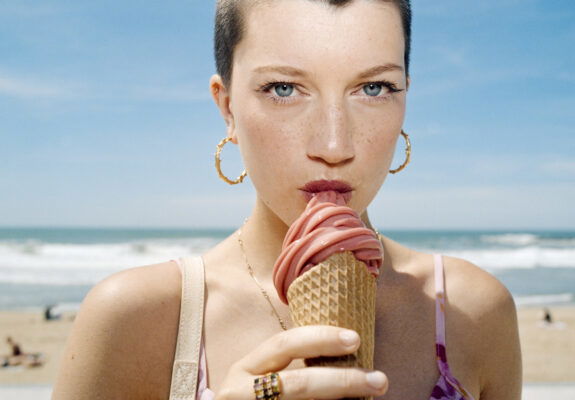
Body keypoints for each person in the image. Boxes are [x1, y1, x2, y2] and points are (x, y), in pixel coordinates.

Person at [52, 1, 522, 399]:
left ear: (405, 102)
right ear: (227, 107)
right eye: (284, 89)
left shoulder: (471, 310)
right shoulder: (136, 319)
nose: (335, 146)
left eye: (373, 88)